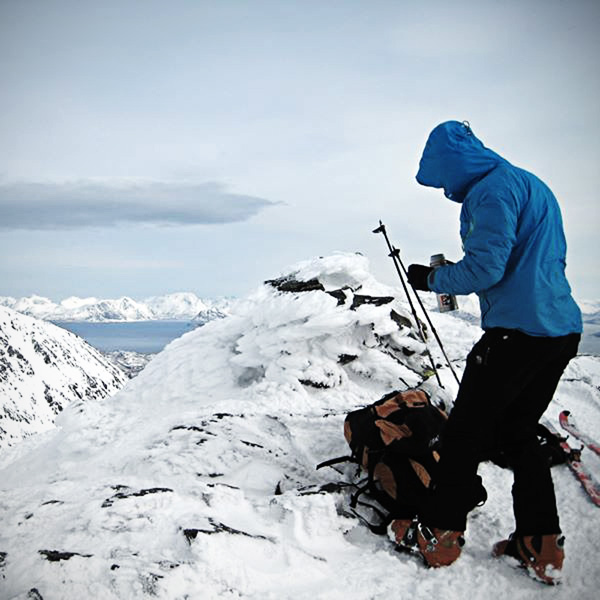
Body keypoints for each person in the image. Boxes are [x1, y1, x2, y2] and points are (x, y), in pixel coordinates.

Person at [397, 120, 582, 585]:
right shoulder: (529, 183)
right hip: (559, 328)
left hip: (518, 331)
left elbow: (485, 269)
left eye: (440, 177)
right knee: (519, 431)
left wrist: (430, 278)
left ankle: (440, 533)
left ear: (452, 164)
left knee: (464, 434)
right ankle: (540, 544)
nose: (442, 189)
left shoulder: (490, 192)